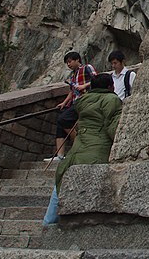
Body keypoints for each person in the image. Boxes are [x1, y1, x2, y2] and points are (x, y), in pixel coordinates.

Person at [43, 72, 122, 225]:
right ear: (110, 86)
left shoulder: (82, 101)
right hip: (98, 152)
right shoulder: (112, 100)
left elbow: (64, 120)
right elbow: (113, 128)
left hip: (75, 152)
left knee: (61, 183)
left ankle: (48, 222)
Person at [45, 51, 95, 162]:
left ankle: (79, 143)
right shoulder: (73, 74)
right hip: (75, 101)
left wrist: (84, 86)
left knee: (63, 119)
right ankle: (60, 155)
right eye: (67, 63)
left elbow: (96, 79)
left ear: (77, 60)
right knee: (60, 123)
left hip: (85, 100)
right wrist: (64, 102)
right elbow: (72, 91)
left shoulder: (87, 68)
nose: (68, 64)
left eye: (70, 61)